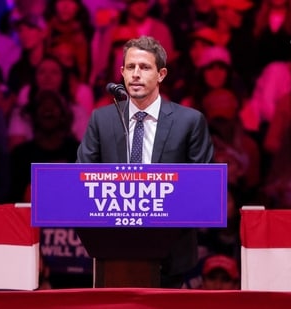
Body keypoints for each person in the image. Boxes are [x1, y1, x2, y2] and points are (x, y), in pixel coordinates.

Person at [76, 35, 214, 288]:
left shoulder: (190, 122)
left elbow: (202, 188)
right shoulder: (101, 120)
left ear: (161, 74)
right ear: (121, 72)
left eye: (145, 67)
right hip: (112, 249)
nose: (136, 74)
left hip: (172, 254)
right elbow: (81, 181)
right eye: (130, 67)